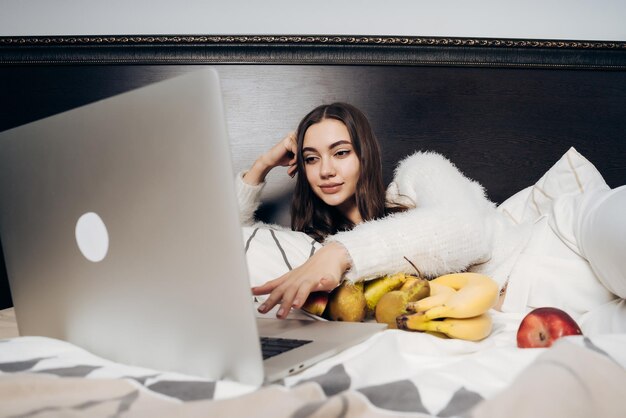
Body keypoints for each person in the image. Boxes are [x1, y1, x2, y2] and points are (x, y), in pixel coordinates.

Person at [236, 102, 529, 319]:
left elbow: (466, 229)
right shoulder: (315, 251)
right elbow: (223, 238)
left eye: (341, 153)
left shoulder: (417, 173)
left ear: (366, 155)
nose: (325, 170)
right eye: (311, 159)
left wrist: (339, 253)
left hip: (540, 258)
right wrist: (262, 165)